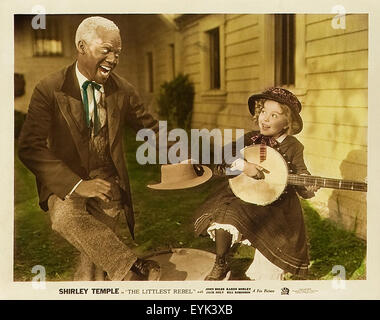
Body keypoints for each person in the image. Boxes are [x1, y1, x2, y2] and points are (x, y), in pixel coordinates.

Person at [18, 16, 164, 281]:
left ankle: (107, 281)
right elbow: (30, 147)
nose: (113, 59)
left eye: (117, 53)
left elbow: (151, 130)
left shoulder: (123, 89)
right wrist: (76, 185)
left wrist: (188, 154)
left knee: (96, 260)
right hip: (65, 182)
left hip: (108, 182)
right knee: (65, 218)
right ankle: (133, 267)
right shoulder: (49, 88)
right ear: (82, 47)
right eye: (106, 50)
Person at [194, 87, 319, 280]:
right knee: (225, 211)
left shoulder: (293, 146)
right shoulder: (251, 138)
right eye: (263, 112)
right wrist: (243, 165)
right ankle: (221, 261)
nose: (265, 119)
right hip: (248, 193)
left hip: (277, 206)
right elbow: (224, 156)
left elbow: (302, 174)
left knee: (268, 271)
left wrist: (309, 185)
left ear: (287, 123)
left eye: (274, 115)